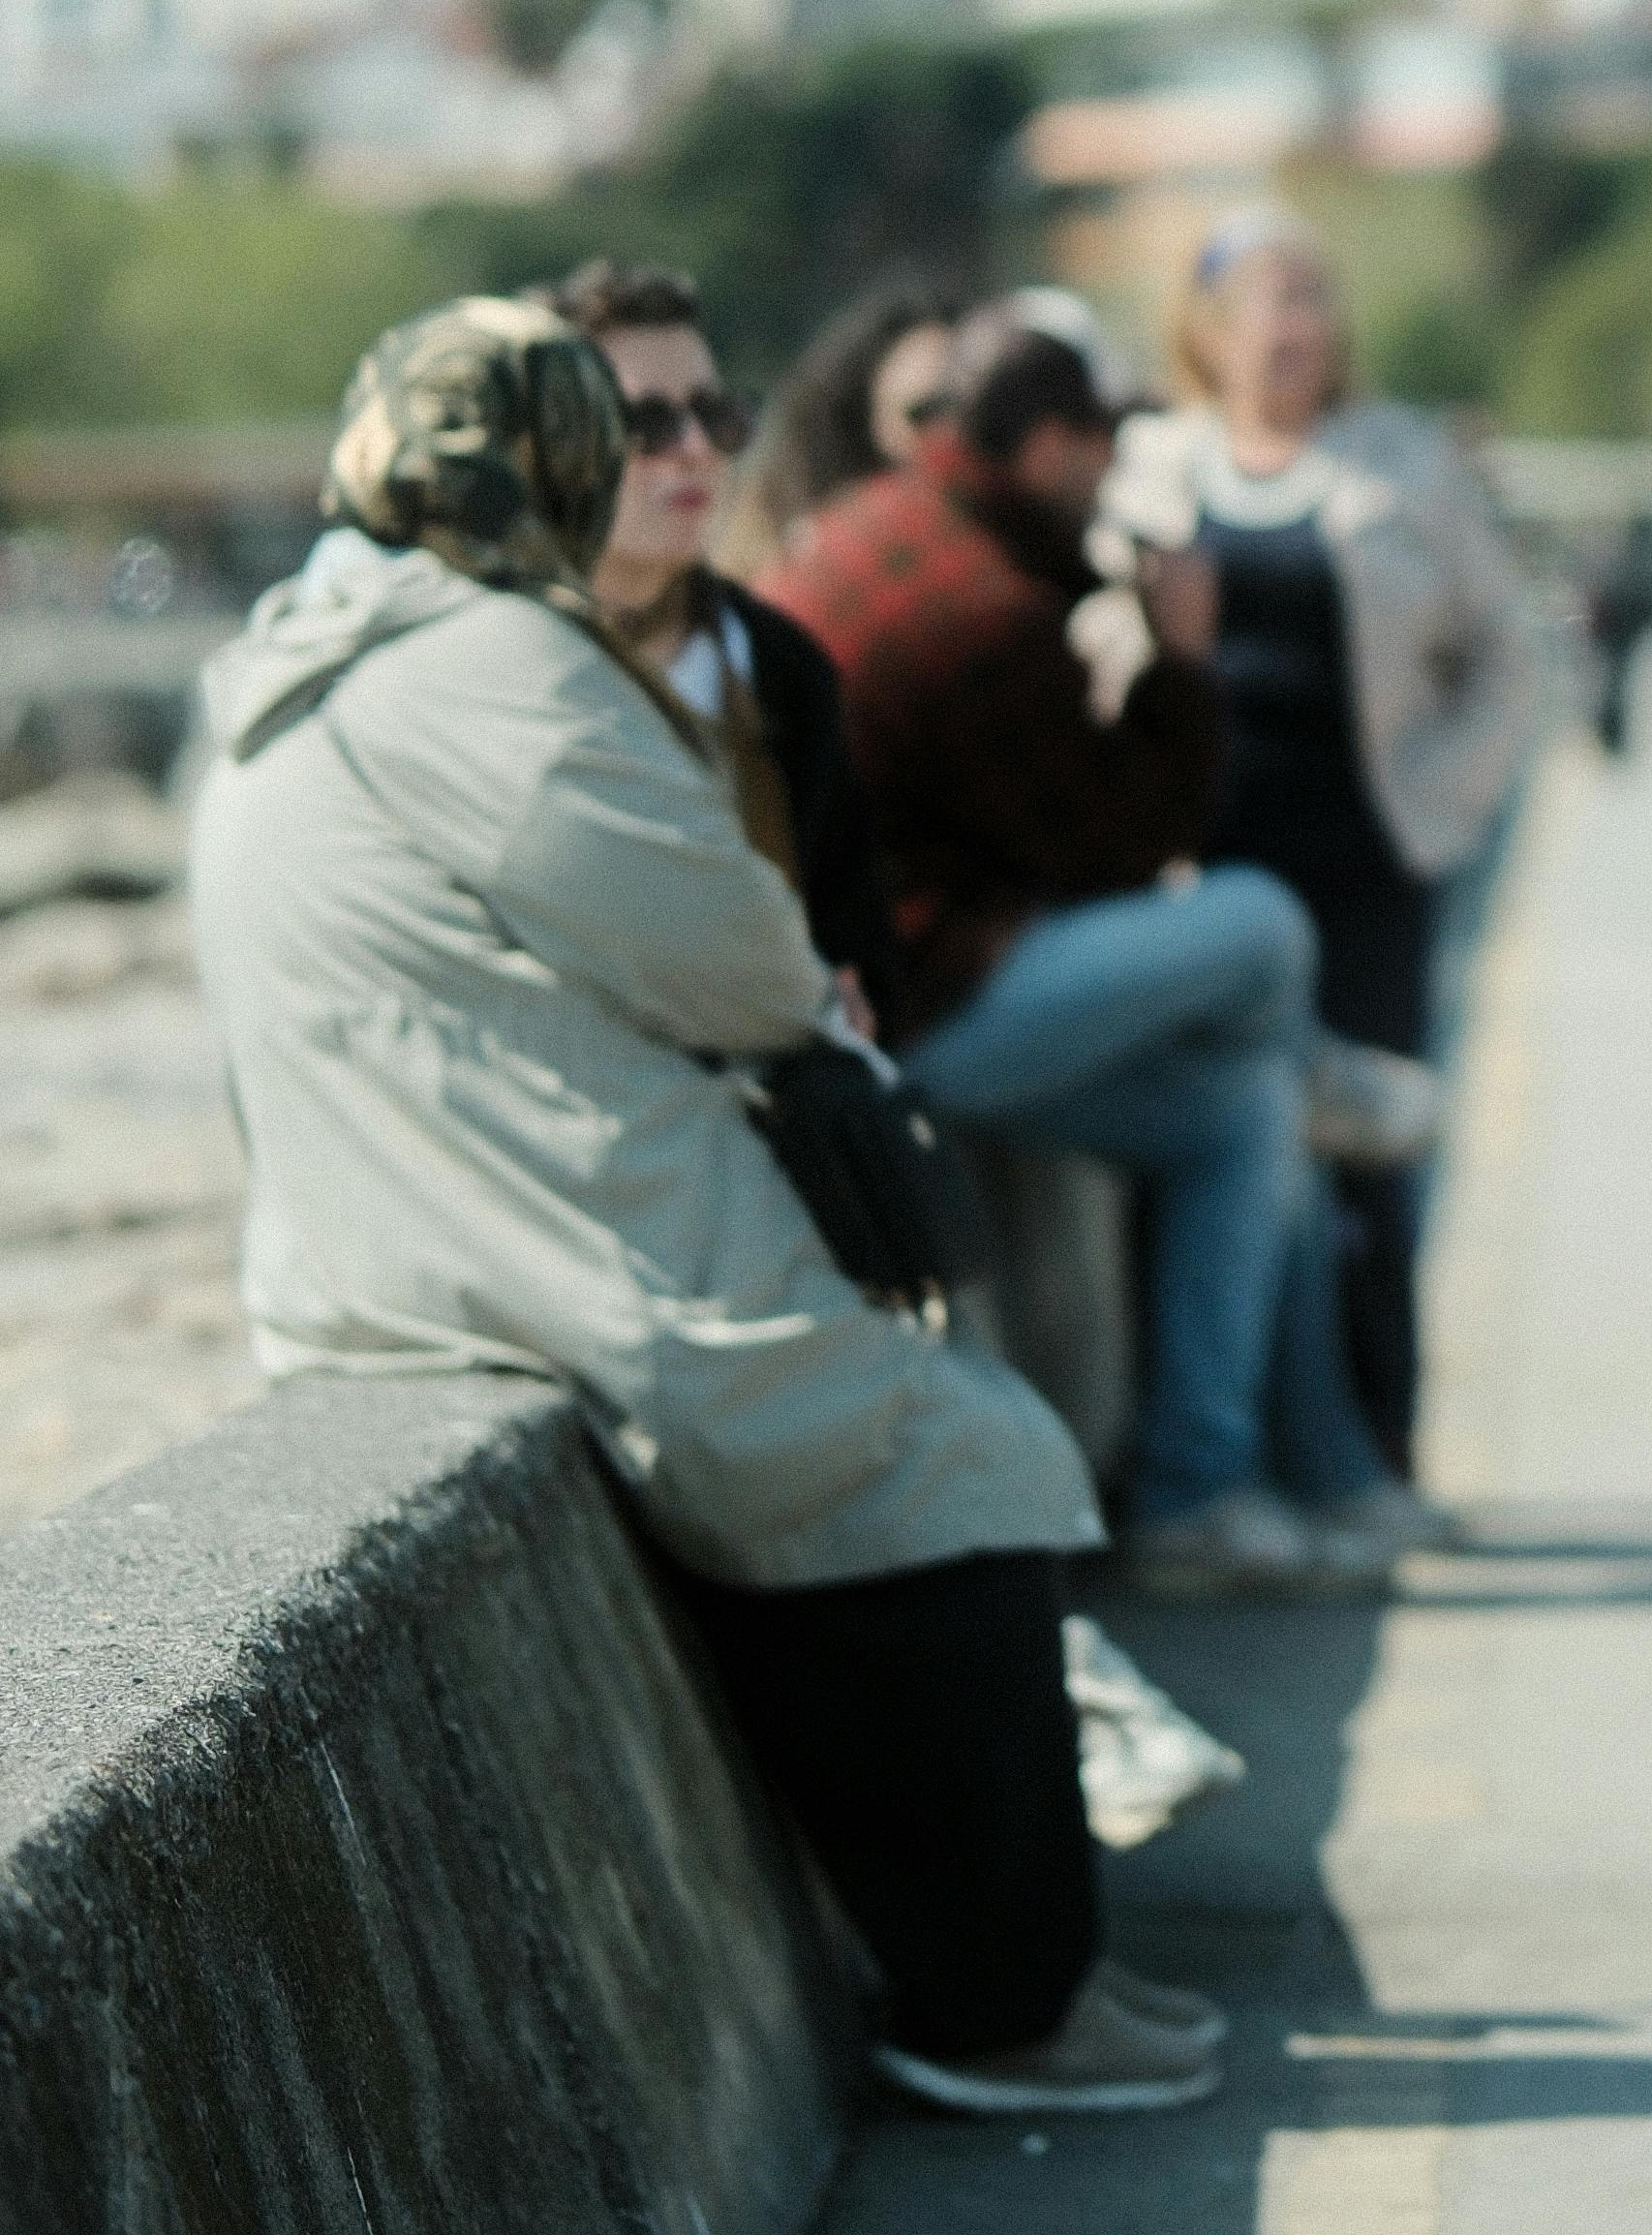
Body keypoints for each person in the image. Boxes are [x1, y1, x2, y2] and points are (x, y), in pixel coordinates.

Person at [189, 296, 1221, 2121]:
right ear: (553, 463)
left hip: (400, 1233)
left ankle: (1021, 1973)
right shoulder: (494, 665)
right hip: (539, 1233)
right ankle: (998, 2004)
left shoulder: (320, 646)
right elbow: (746, 951)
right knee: (946, 1459)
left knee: (927, 1432)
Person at [763, 306, 1385, 1598]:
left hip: (877, 985)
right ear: (1050, 443)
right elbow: (1122, 843)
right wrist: (1183, 657)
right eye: (1108, 445)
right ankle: (1330, 1078)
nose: (1115, 476)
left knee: (1243, 1118)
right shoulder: (983, 603)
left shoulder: (890, 525)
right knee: (1264, 925)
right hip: (915, 1014)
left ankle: (1195, 1497)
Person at [1098, 216, 1535, 1487]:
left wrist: (1445, 803)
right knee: (1220, 1157)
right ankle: (1238, 1459)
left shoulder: (1402, 463)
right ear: (1208, 329)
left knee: (1369, 1161)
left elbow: (1507, 652)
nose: (1295, 330)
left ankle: (1375, 1451)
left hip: (1365, 860)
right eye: (1267, 306)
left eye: (1313, 302)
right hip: (1197, 871)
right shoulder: (1149, 466)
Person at [543, 253, 897, 1013]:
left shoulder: (781, 665)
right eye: (646, 423)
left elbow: (852, 932)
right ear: (549, 447)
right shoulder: (492, 663)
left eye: (717, 413)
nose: (696, 447)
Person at [748, 273, 972, 562]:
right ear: (865, 424)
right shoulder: (806, 554)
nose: (949, 434)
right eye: (924, 414)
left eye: (965, 412)